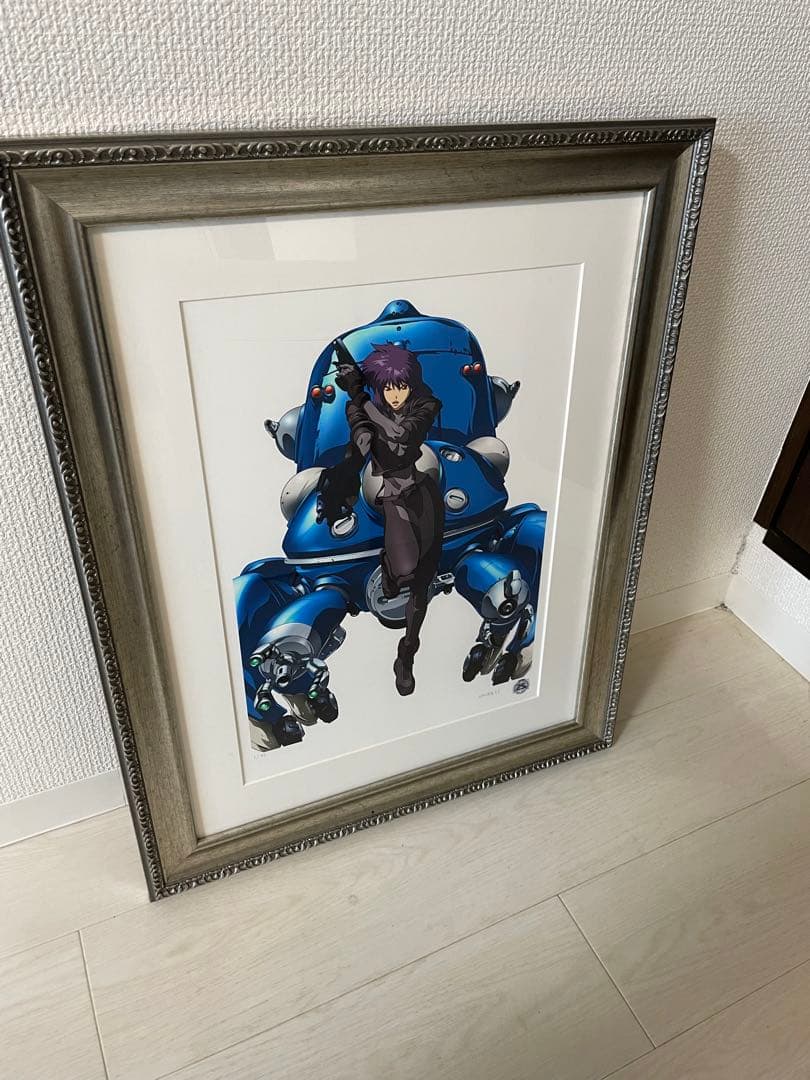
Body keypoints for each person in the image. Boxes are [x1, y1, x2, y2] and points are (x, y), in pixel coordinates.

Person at [316, 340, 444, 695]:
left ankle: (407, 654)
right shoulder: (366, 407)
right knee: (404, 570)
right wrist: (359, 422)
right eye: (388, 388)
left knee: (422, 584)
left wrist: (360, 398)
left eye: (401, 386)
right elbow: (361, 438)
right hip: (391, 494)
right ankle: (389, 572)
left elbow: (401, 434)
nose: (395, 394)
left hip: (422, 493)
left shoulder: (426, 404)